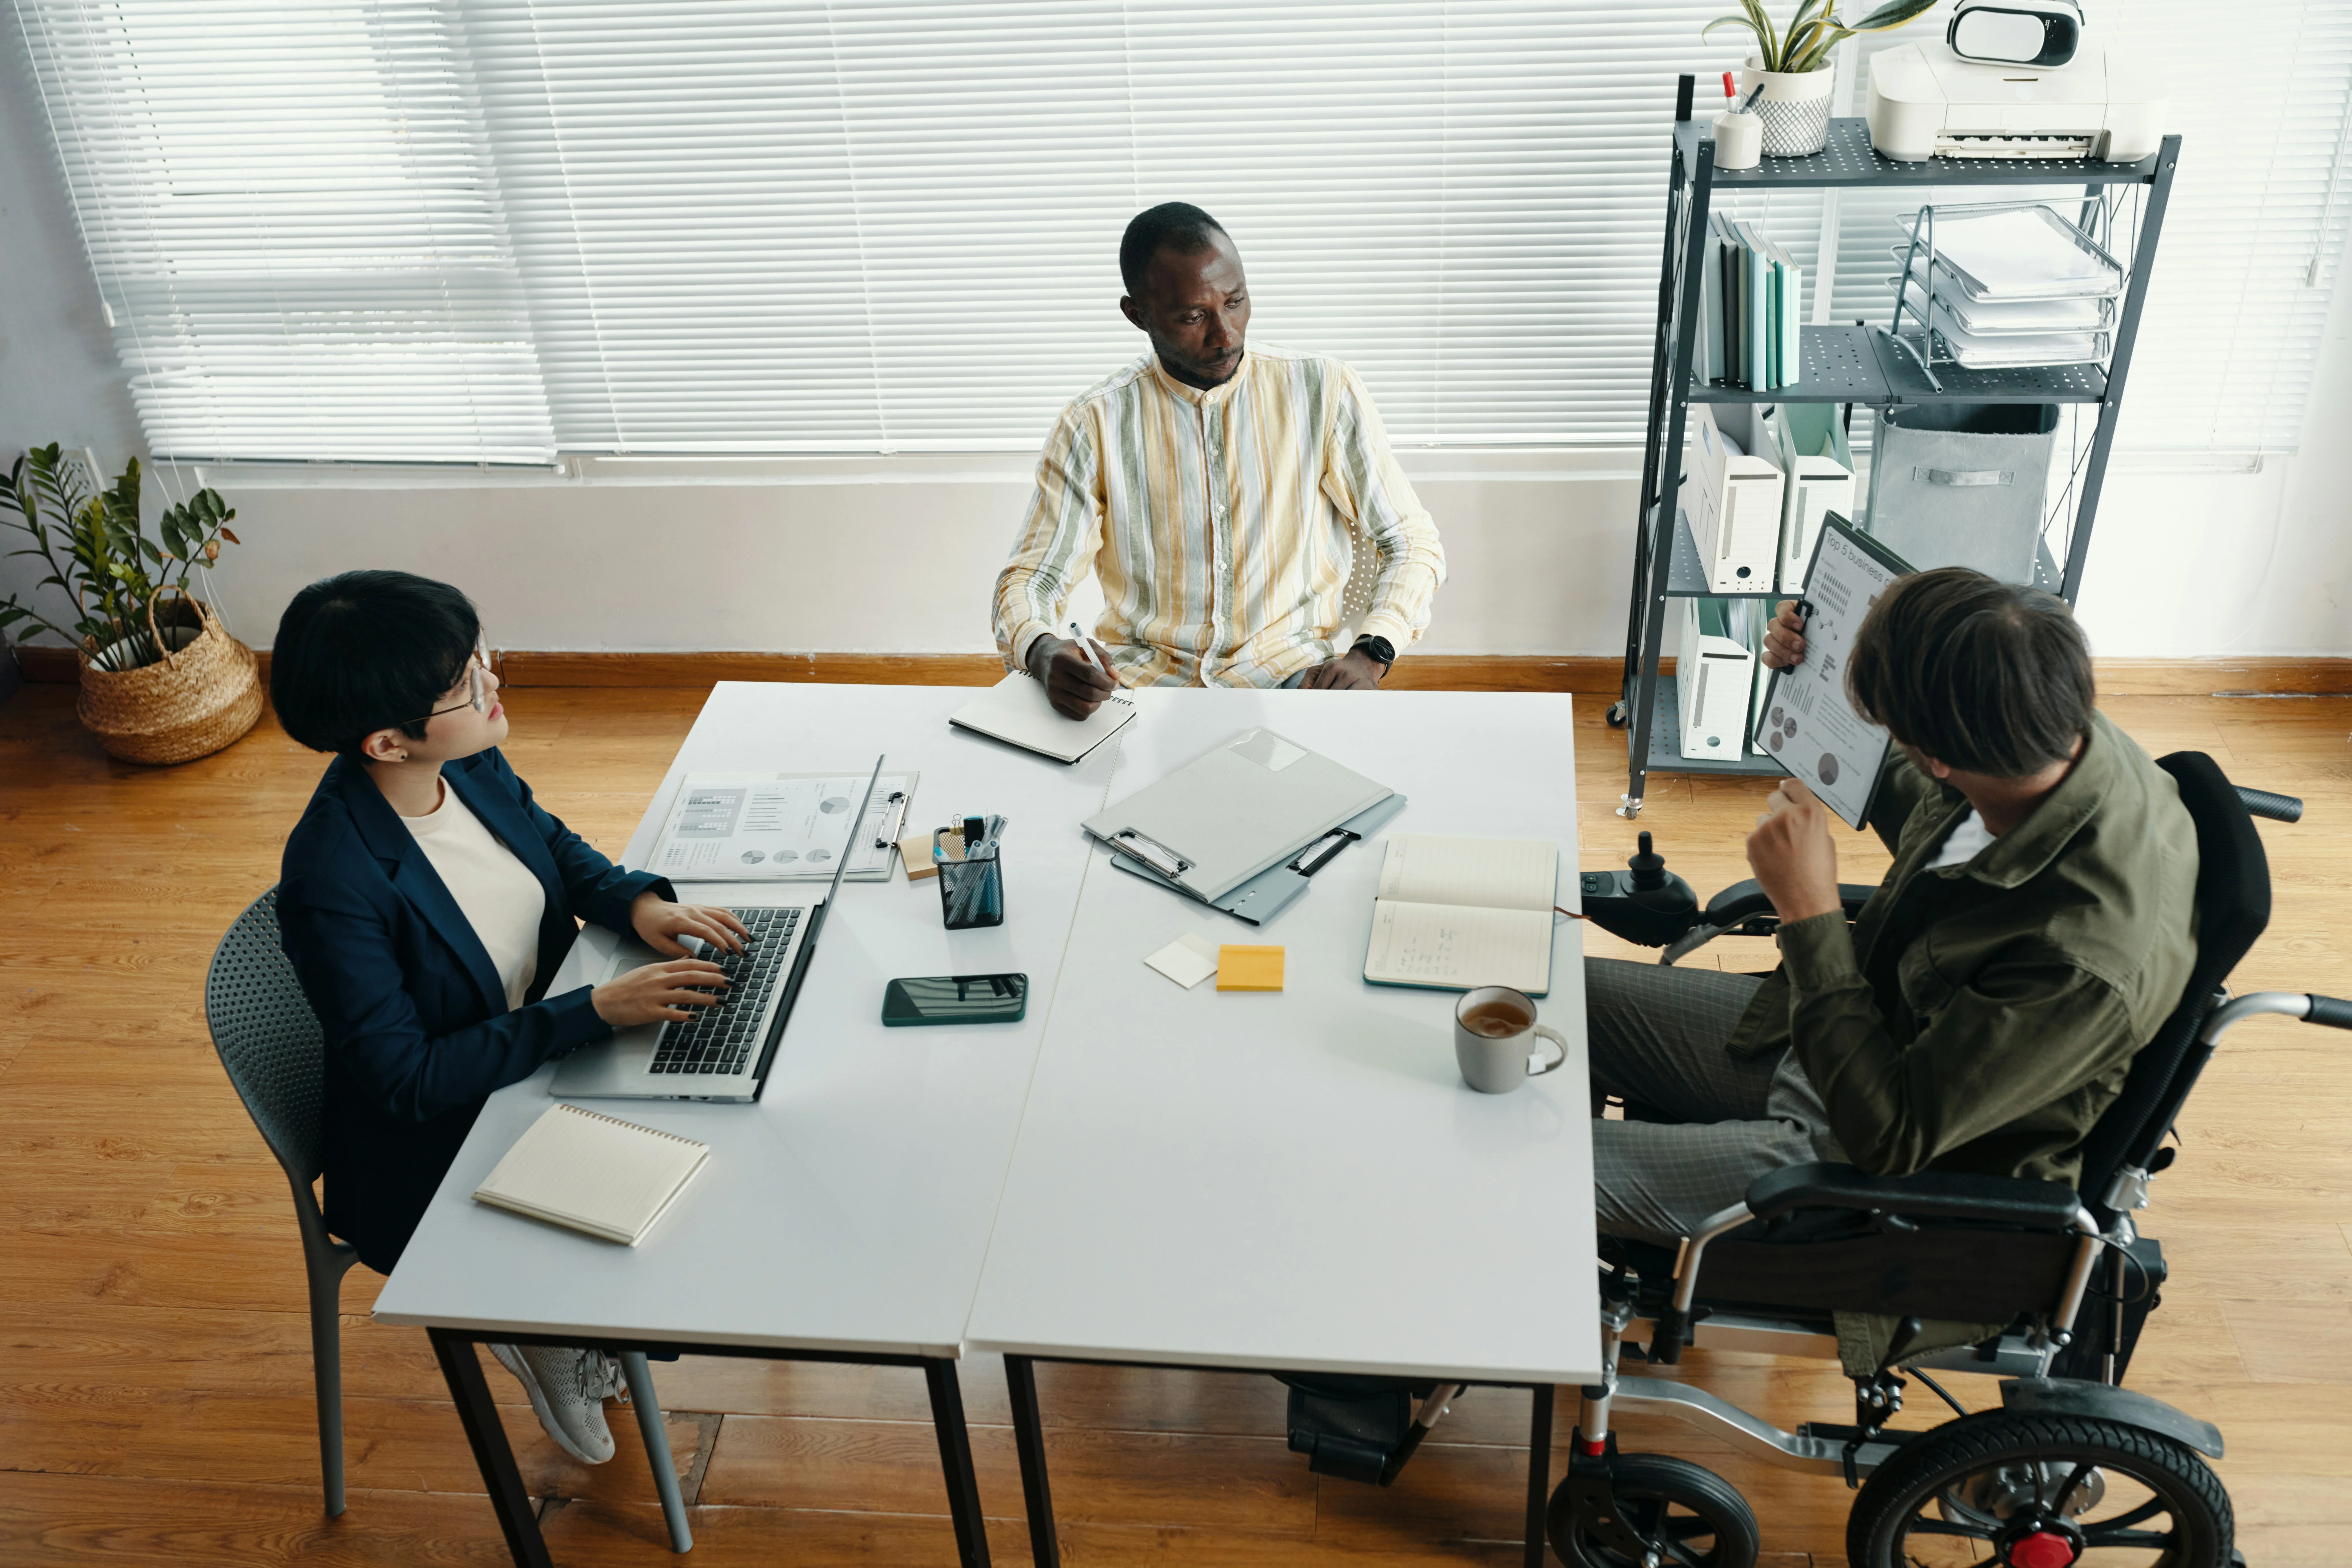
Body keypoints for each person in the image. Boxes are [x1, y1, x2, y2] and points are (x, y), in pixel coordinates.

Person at [1584, 567, 2199, 1368]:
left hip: (1868, 1169)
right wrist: (1817, 672)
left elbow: (1891, 1135)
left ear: (1940, 754)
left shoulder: (2080, 959)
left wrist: (1809, 914)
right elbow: (1912, 788)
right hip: (1860, 1037)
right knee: (1565, 998)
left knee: (1524, 1162)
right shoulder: (2038, 732)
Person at [271, 571, 749, 1465]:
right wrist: (595, 1010)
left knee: (723, 1126)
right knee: (669, 1200)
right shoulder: (334, 881)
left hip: (535, 1052)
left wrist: (632, 903)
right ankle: (541, 1329)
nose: (493, 682)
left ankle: (586, 1320)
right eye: (463, 683)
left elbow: (554, 850)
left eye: (479, 655)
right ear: (385, 741)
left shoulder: (466, 757)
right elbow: (407, 1079)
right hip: (435, 1139)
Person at [994, 201, 1448, 718]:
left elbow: (1411, 541)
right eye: (1193, 317)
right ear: (1137, 315)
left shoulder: (1323, 390)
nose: (1226, 334)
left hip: (1294, 678)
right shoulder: (1091, 423)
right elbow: (1032, 576)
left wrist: (1373, 653)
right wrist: (1041, 649)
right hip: (1143, 684)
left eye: (1235, 302)